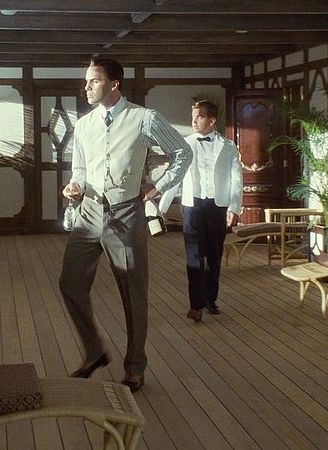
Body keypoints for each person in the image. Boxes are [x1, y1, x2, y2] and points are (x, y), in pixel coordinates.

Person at [59, 58, 192, 392]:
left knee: (133, 293)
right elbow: (79, 170)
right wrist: (75, 186)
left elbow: (182, 153)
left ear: (114, 84)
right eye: (86, 81)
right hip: (89, 212)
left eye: (93, 81)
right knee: (70, 283)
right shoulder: (84, 124)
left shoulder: (144, 118)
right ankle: (94, 351)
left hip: (126, 213)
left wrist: (159, 186)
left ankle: (134, 367)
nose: (86, 87)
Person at [159, 100, 243, 322]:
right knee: (194, 256)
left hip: (217, 206)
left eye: (199, 116)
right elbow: (175, 176)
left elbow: (236, 179)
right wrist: (162, 206)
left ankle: (210, 299)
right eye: (193, 116)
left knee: (214, 256)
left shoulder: (228, 146)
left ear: (212, 120)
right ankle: (195, 305)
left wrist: (234, 207)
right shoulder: (185, 145)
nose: (193, 121)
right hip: (192, 206)